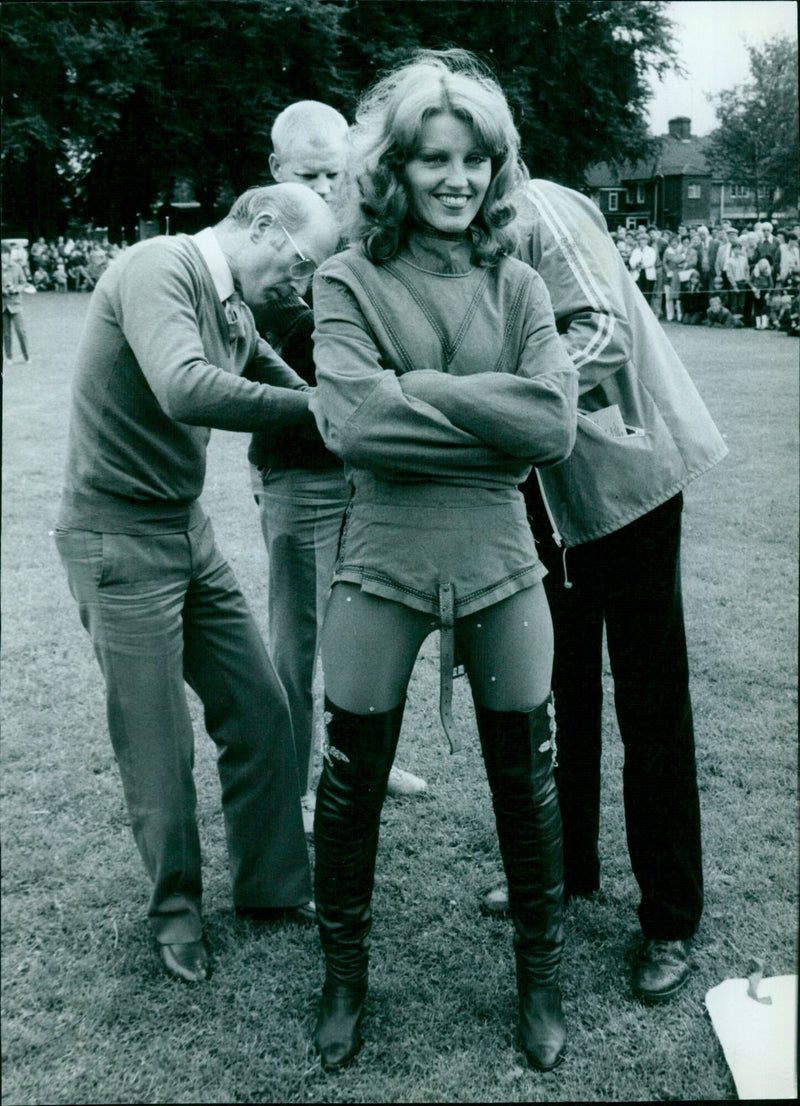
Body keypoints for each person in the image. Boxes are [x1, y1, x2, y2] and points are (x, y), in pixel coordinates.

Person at [307, 50, 578, 1073]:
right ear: (395, 169)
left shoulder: (518, 282)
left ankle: (538, 976)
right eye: (434, 160)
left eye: (474, 159)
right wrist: (483, 412)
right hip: (382, 555)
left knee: (527, 776)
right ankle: (343, 977)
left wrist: (414, 386)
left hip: (500, 555)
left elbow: (550, 423)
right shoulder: (346, 274)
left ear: (495, 168)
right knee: (352, 778)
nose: (456, 178)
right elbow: (348, 420)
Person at [54, 183, 339, 984]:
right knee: (159, 746)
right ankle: (176, 916)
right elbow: (185, 385)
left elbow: (295, 390)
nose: (302, 285)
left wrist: (362, 414)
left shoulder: (236, 307)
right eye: (303, 263)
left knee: (259, 706)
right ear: (261, 225)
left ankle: (273, 888)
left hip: (185, 533)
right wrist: (323, 412)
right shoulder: (160, 267)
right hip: (115, 538)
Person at [479, 174, 728, 1006]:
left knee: (650, 702)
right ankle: (563, 872)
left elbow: (606, 332)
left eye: (464, 150)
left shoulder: (539, 209)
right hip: (544, 498)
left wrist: (502, 397)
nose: (448, 170)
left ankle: (669, 919)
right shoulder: (460, 224)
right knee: (557, 687)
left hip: (626, 486)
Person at [248, 102, 426, 833]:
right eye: (310, 173)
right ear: (276, 171)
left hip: (365, 473)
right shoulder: (265, 245)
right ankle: (294, 782)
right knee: (300, 640)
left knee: (372, 626)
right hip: (299, 472)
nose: (325, 187)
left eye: (335, 172)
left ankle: (366, 762)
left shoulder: (356, 235)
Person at [2, 241, 31, 363]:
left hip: (16, 303)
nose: (3, 256)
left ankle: (27, 356)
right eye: (1, 254)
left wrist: (15, 288)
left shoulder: (16, 267)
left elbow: (24, 283)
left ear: (9, 254)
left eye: (5, 253)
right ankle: (9, 357)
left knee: (21, 331)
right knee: (6, 334)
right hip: (3, 305)